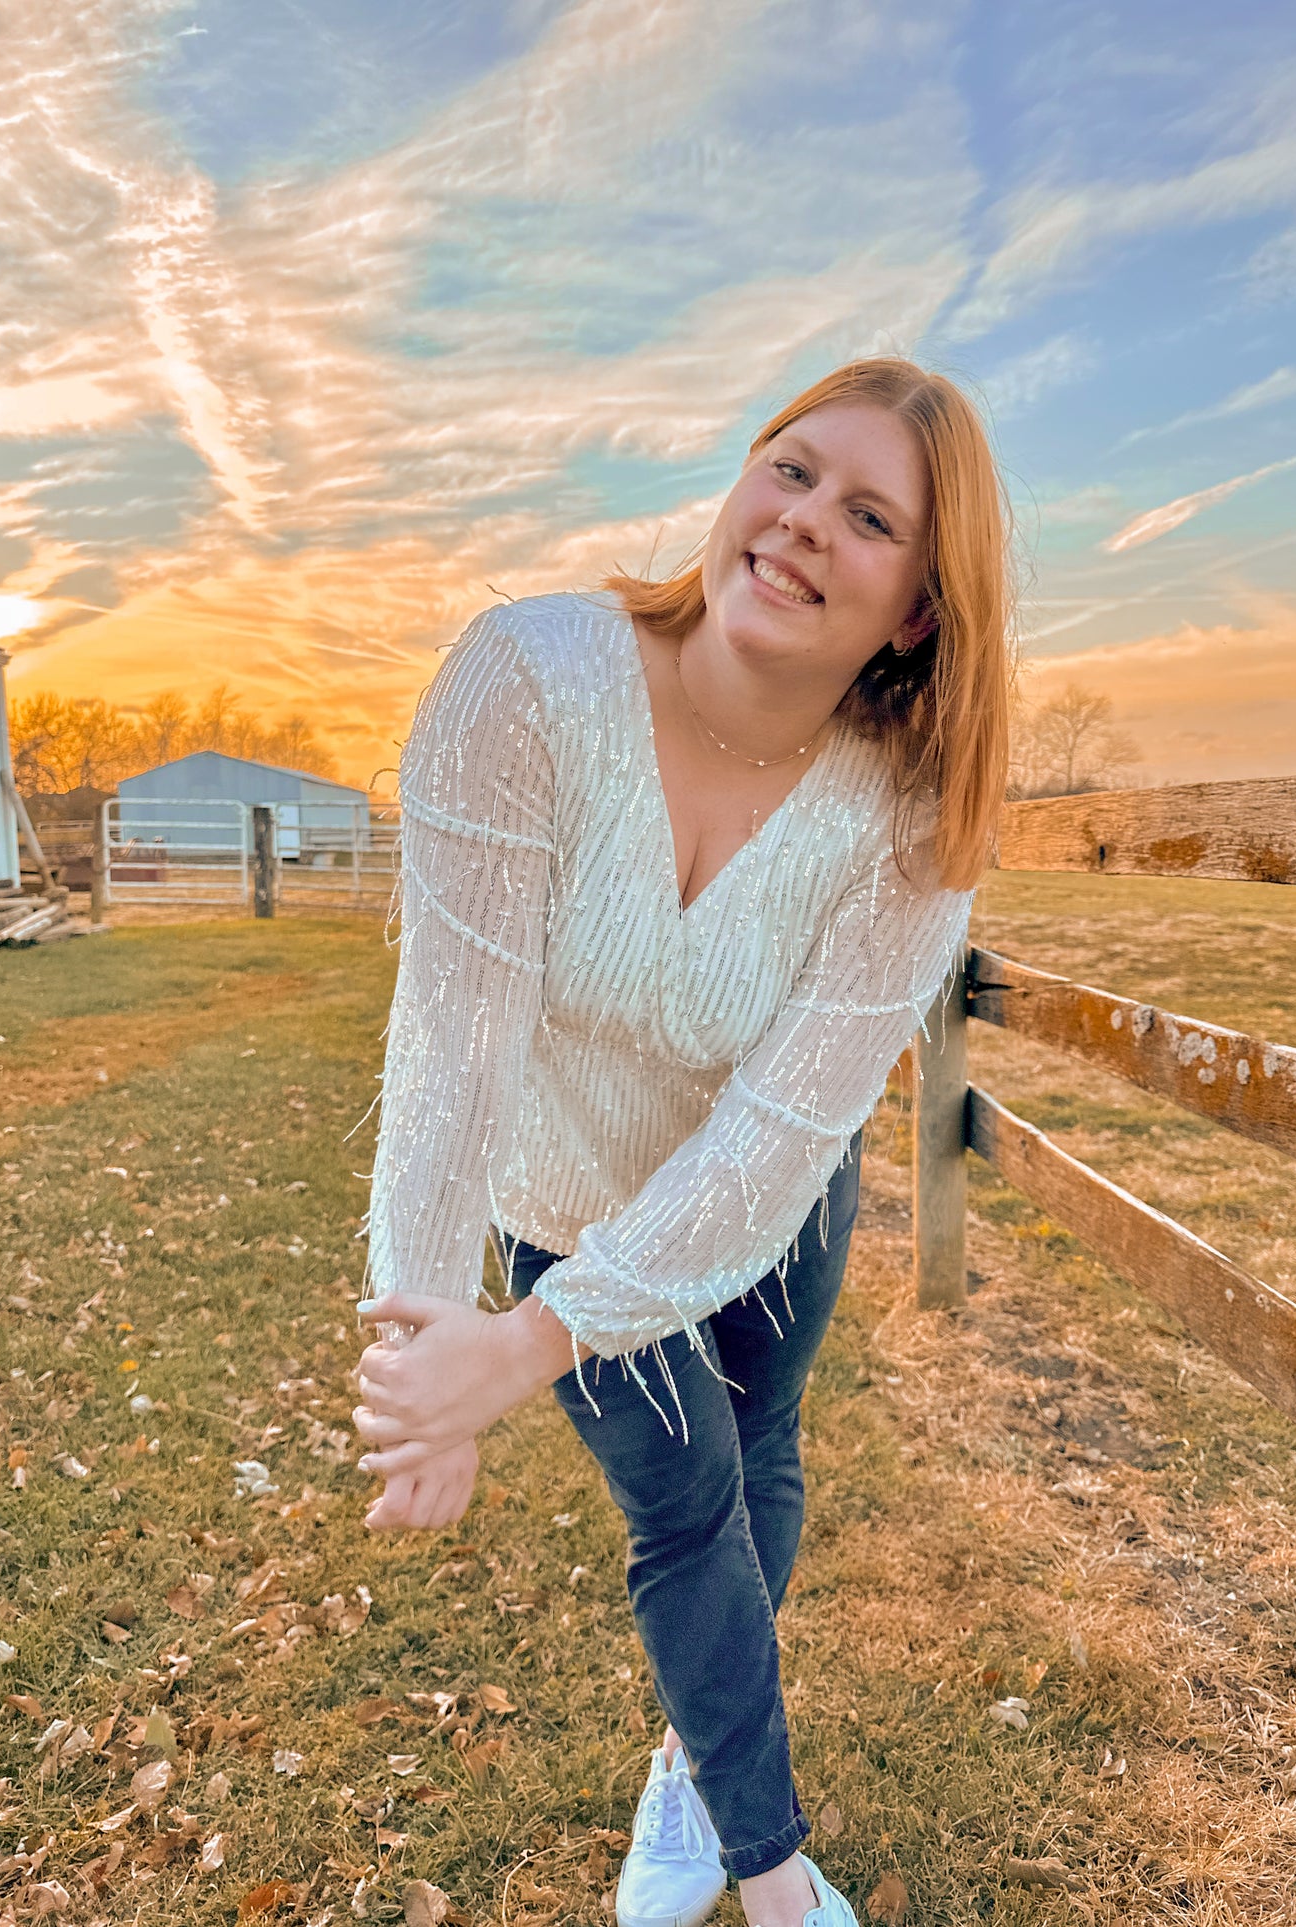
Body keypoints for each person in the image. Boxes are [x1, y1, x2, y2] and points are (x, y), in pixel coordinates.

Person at [351, 355, 1013, 1927]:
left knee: (759, 1452)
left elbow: (776, 1135)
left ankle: (688, 1765)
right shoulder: (529, 682)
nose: (803, 523)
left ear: (918, 611)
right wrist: (436, 1355)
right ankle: (771, 1876)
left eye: (870, 519)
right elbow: (452, 1049)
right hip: (566, 1196)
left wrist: (521, 1356)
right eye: (788, 469)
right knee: (685, 1500)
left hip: (771, 1204)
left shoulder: (910, 824)